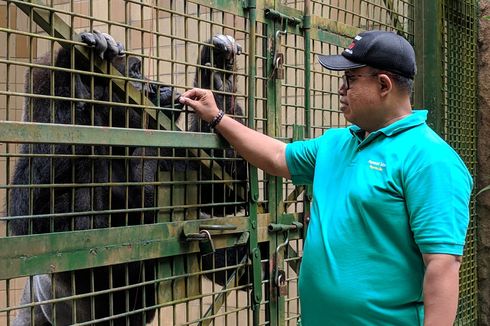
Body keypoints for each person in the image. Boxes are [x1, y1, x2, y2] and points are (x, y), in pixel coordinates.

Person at [179, 30, 473, 326]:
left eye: (350, 79)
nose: (341, 89)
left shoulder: (430, 159)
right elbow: (277, 156)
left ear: (383, 85)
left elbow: (442, 265)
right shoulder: (336, 143)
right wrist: (217, 116)